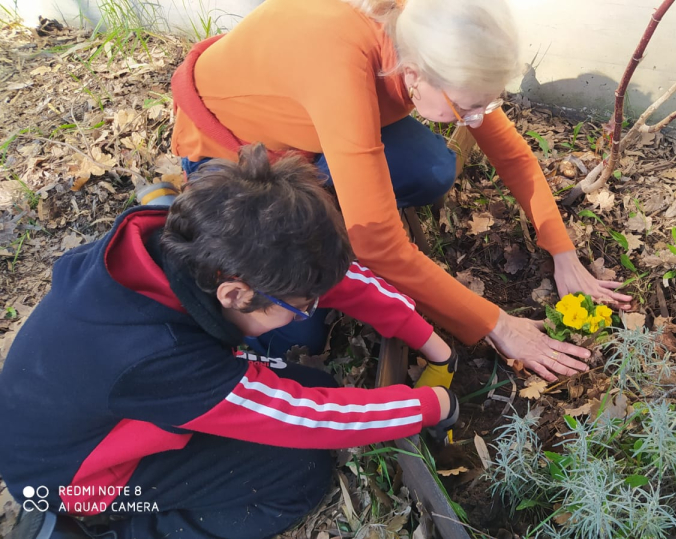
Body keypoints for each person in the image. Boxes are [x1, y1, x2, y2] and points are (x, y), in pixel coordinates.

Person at [0, 145, 459, 539]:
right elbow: (302, 418)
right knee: (297, 474)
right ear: (235, 295)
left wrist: (433, 344)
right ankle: (107, 530)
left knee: (312, 384)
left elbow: (332, 279)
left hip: (103, 415)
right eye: (303, 307)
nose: (311, 311)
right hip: (73, 480)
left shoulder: (194, 237)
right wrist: (431, 407)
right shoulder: (160, 355)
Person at [169, 0, 633, 383]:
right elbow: (379, 245)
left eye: (486, 104)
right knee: (295, 329)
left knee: (431, 167)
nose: (477, 120)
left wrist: (562, 251)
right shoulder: (341, 63)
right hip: (233, 153)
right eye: (466, 109)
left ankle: (340, 194)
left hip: (313, 124)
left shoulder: (429, 33)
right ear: (412, 75)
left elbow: (511, 155)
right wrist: (497, 324)